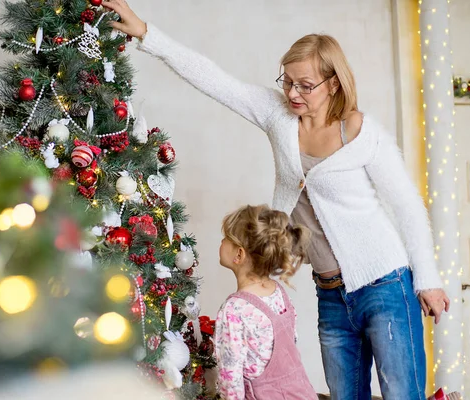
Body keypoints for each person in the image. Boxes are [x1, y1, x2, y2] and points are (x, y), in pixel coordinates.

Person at [102, 1, 451, 398]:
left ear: (333, 83)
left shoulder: (359, 132)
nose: (292, 92)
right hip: (331, 293)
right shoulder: (278, 115)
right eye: (287, 81)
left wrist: (428, 279)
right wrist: (147, 33)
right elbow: (215, 80)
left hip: (385, 284)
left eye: (305, 84)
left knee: (403, 394)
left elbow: (406, 206)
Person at [216, 204, 316, 400]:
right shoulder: (278, 292)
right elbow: (290, 346)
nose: (221, 241)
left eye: (226, 238)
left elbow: (230, 379)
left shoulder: (234, 309)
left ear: (239, 254)